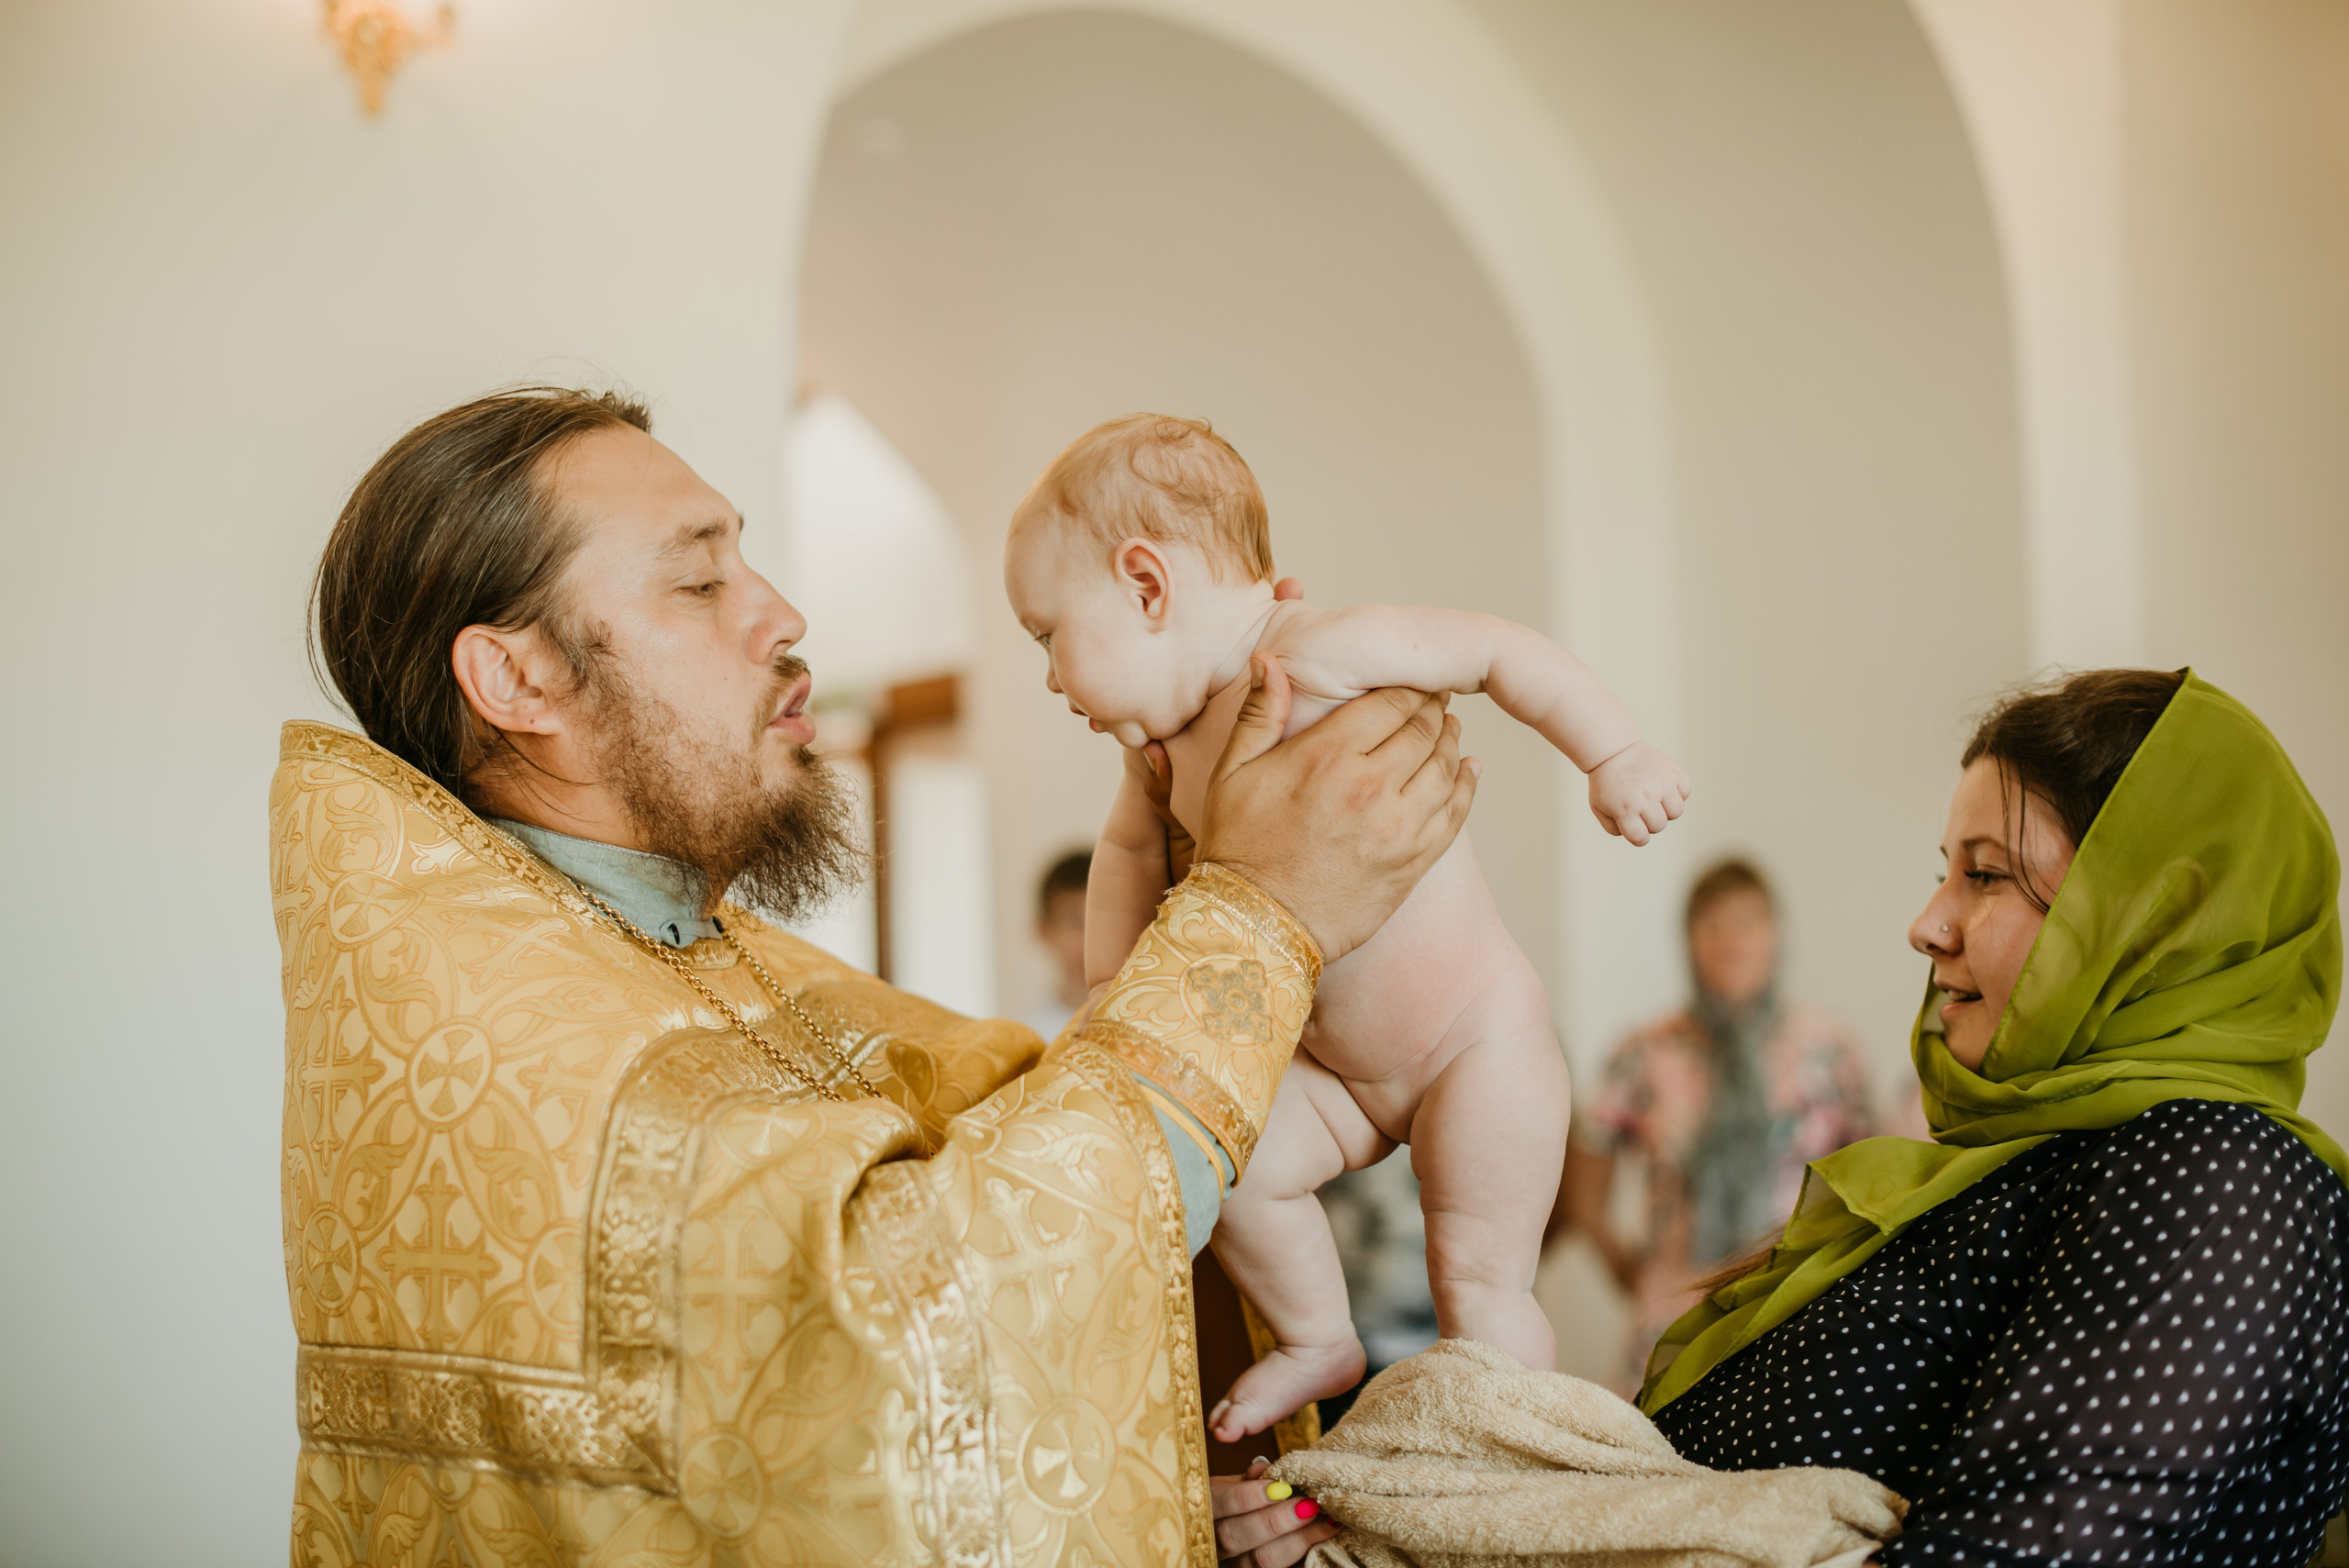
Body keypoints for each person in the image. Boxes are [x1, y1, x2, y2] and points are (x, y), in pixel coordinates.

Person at [278, 387, 1476, 1566]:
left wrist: (1151, 1497)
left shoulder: (700, 955)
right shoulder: (488, 1046)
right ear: (519, 680)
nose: (785, 615)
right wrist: (1261, 910)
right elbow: (915, 1333)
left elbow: (836, 1460)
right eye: (701, 583)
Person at [1003, 412, 1687, 1442]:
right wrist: (1109, 991)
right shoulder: (1155, 757)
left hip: (1473, 1040)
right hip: (1333, 1076)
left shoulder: (1320, 648)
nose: (1050, 677)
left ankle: (1513, 1446)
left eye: (1048, 636)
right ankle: (1318, 1337)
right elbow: (1130, 858)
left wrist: (1614, 752)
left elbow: (1496, 651)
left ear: (1147, 585)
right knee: (1229, 1159)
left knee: (1478, 1283)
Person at [1642, 669, 2348, 1565]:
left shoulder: (2221, 1177)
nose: (1926, 923)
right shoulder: (2024, 1164)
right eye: (1943, 872)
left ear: (2146, 913)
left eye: (1983, 874)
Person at [1556, 858, 1877, 1395]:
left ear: (1776, 934)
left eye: (1748, 922)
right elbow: (1584, 1183)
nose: (1732, 941)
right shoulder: (1645, 1052)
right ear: (1688, 940)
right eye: (1713, 924)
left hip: (1793, 1314)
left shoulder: (1829, 1052)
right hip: (1672, 1321)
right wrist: (1627, 1270)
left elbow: (1871, 1185)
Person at [1017, 847, 1092, 1040]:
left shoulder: (1152, 1026)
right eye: (1076, 923)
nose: (1091, 940)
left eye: (1101, 922)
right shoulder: (1029, 1042)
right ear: (1044, 931)